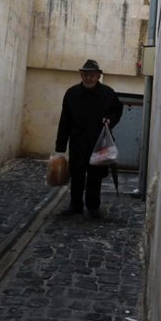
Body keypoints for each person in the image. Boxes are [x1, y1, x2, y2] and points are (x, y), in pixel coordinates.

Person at [55, 59, 123, 218]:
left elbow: (117, 111)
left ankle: (93, 207)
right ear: (81, 75)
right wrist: (60, 147)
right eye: (85, 75)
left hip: (98, 142)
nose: (88, 78)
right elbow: (64, 120)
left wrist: (109, 119)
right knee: (76, 174)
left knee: (95, 176)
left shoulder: (108, 93)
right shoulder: (71, 94)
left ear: (98, 76)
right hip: (77, 141)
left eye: (91, 75)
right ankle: (75, 205)